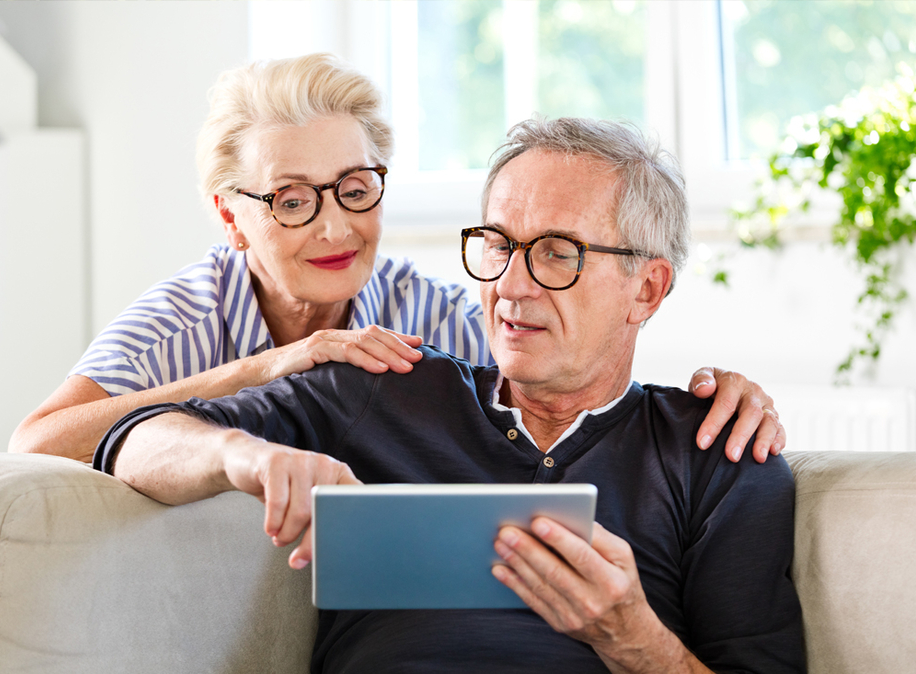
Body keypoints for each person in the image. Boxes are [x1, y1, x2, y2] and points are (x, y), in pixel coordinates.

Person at [94, 118, 804, 673]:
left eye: (558, 252)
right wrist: (236, 455)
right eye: (499, 244)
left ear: (645, 290)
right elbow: (134, 438)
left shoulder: (719, 454)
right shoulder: (383, 387)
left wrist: (635, 641)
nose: (511, 287)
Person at [10, 53, 784, 465]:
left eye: (354, 188)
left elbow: (570, 370)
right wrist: (264, 368)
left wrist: (711, 405)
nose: (333, 229)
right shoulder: (177, 322)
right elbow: (35, 444)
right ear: (231, 217)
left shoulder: (431, 314)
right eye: (291, 200)